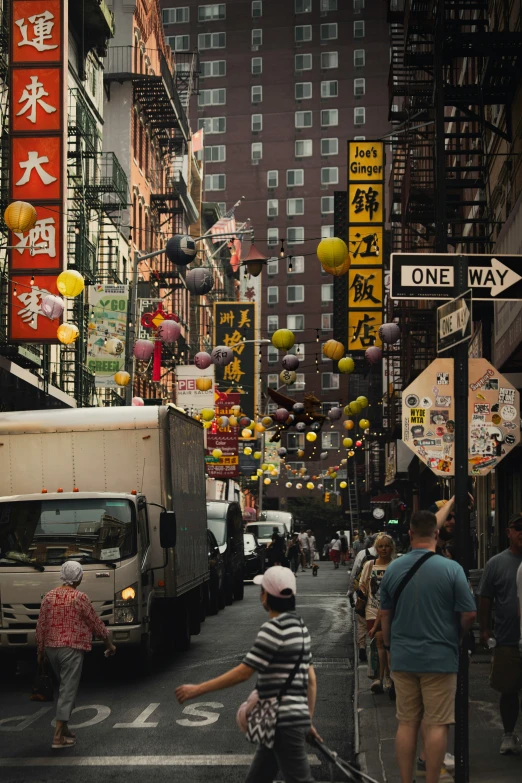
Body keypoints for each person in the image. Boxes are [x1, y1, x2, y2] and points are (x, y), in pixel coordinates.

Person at [175, 566, 321, 783]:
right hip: (282, 720)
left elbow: (243, 673)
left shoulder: (272, 630)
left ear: (267, 595)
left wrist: (197, 689)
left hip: (281, 722)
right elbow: (311, 680)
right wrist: (306, 719)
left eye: (261, 590)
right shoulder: (300, 628)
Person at [379, 511, 477, 783]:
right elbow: (469, 614)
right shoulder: (451, 568)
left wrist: (388, 647)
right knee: (436, 723)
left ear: (410, 534)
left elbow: (385, 614)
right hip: (440, 657)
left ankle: (405, 780)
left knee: (407, 722)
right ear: (437, 534)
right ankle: (432, 780)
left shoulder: (393, 569)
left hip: (402, 656)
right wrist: (457, 636)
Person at [36, 561, 116, 749]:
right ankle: (57, 737)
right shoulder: (80, 598)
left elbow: (40, 625)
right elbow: (95, 623)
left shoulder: (49, 596)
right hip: (71, 648)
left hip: (50, 648)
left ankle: (64, 729)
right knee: (68, 689)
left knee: (65, 688)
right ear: (79, 577)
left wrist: (40, 651)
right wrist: (109, 644)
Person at [478, 512, 522, 755]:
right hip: (507, 638)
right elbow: (486, 598)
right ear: (509, 532)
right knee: (508, 689)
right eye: (518, 528)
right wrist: (485, 630)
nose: (521, 533)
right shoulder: (496, 563)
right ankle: (508, 733)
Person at [358, 533, 395, 693]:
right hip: (372, 610)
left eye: (387, 546)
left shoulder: (395, 565)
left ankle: (384, 677)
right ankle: (382, 677)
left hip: (390, 611)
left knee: (387, 644)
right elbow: (362, 586)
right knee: (378, 643)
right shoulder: (370, 565)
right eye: (381, 546)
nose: (384, 549)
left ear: (391, 548)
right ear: (376, 548)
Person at [348, 535, 377, 662]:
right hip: (378, 594)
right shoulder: (387, 556)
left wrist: (350, 591)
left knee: (361, 622)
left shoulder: (362, 553)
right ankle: (376, 648)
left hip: (362, 592)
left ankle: (361, 646)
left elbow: (354, 573)